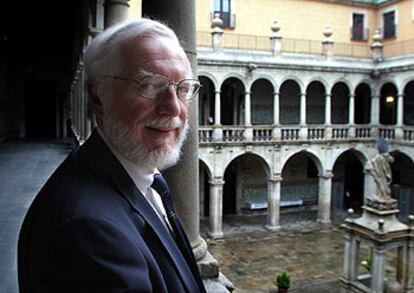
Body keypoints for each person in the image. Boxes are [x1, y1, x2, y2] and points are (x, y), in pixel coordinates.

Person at [18, 18, 206, 293]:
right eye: (151, 85)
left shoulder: (136, 175)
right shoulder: (86, 231)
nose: (173, 107)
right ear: (98, 97)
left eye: (183, 89)